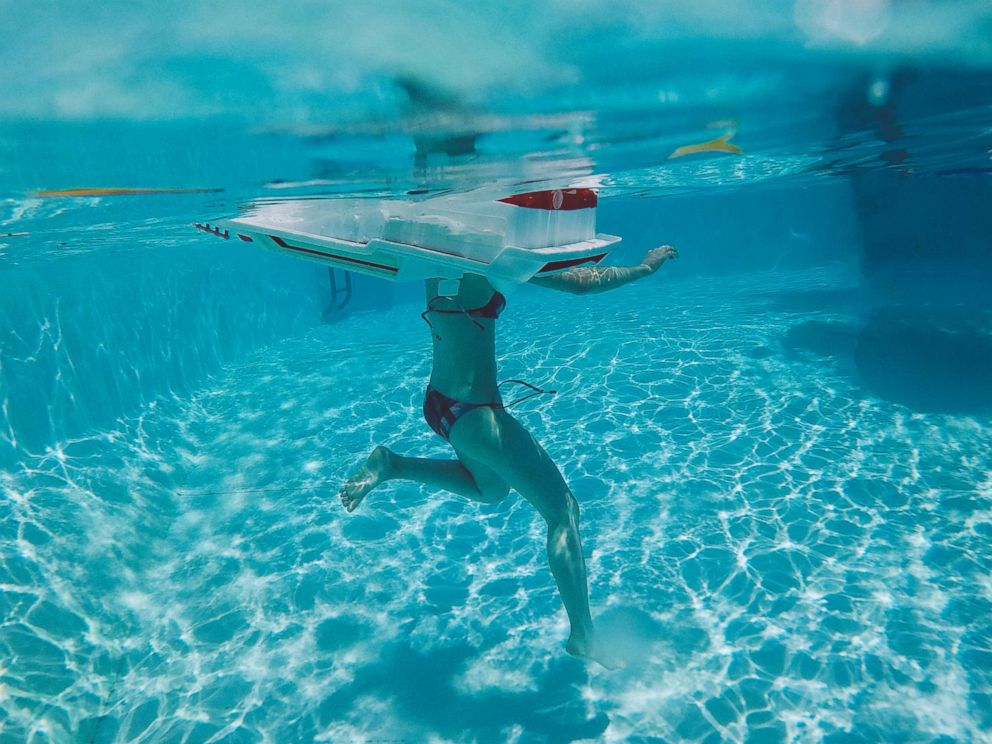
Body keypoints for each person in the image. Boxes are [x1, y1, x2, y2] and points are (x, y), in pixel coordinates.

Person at [339, 244, 679, 667]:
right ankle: (583, 636)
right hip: (475, 415)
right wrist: (644, 269)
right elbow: (582, 283)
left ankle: (394, 465)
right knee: (563, 511)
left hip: (441, 403)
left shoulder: (431, 250)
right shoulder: (492, 257)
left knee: (490, 489)